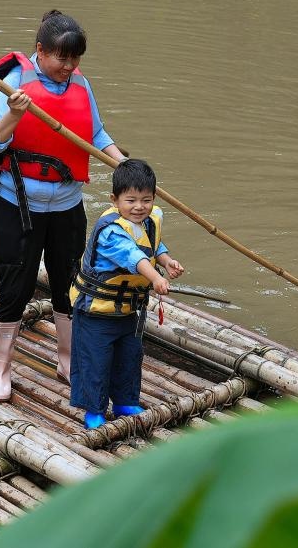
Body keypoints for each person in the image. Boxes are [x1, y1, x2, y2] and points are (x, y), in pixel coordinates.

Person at [0, 10, 126, 402]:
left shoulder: (80, 83)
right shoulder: (14, 82)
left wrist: (122, 164)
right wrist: (13, 112)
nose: (69, 67)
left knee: (69, 283)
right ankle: (1, 368)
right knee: (15, 287)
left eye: (75, 59)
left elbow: (95, 131)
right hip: (18, 204)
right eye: (62, 59)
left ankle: (67, 361)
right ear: (40, 51)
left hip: (66, 205)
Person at [68, 159, 184, 428]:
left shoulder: (148, 220)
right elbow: (132, 256)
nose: (139, 207)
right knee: (95, 361)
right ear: (115, 200)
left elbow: (153, 245)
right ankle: (94, 410)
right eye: (131, 200)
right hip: (96, 313)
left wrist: (166, 261)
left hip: (129, 310)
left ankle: (124, 401)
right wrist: (156, 278)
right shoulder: (111, 232)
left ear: (154, 198)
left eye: (146, 200)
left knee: (130, 357)